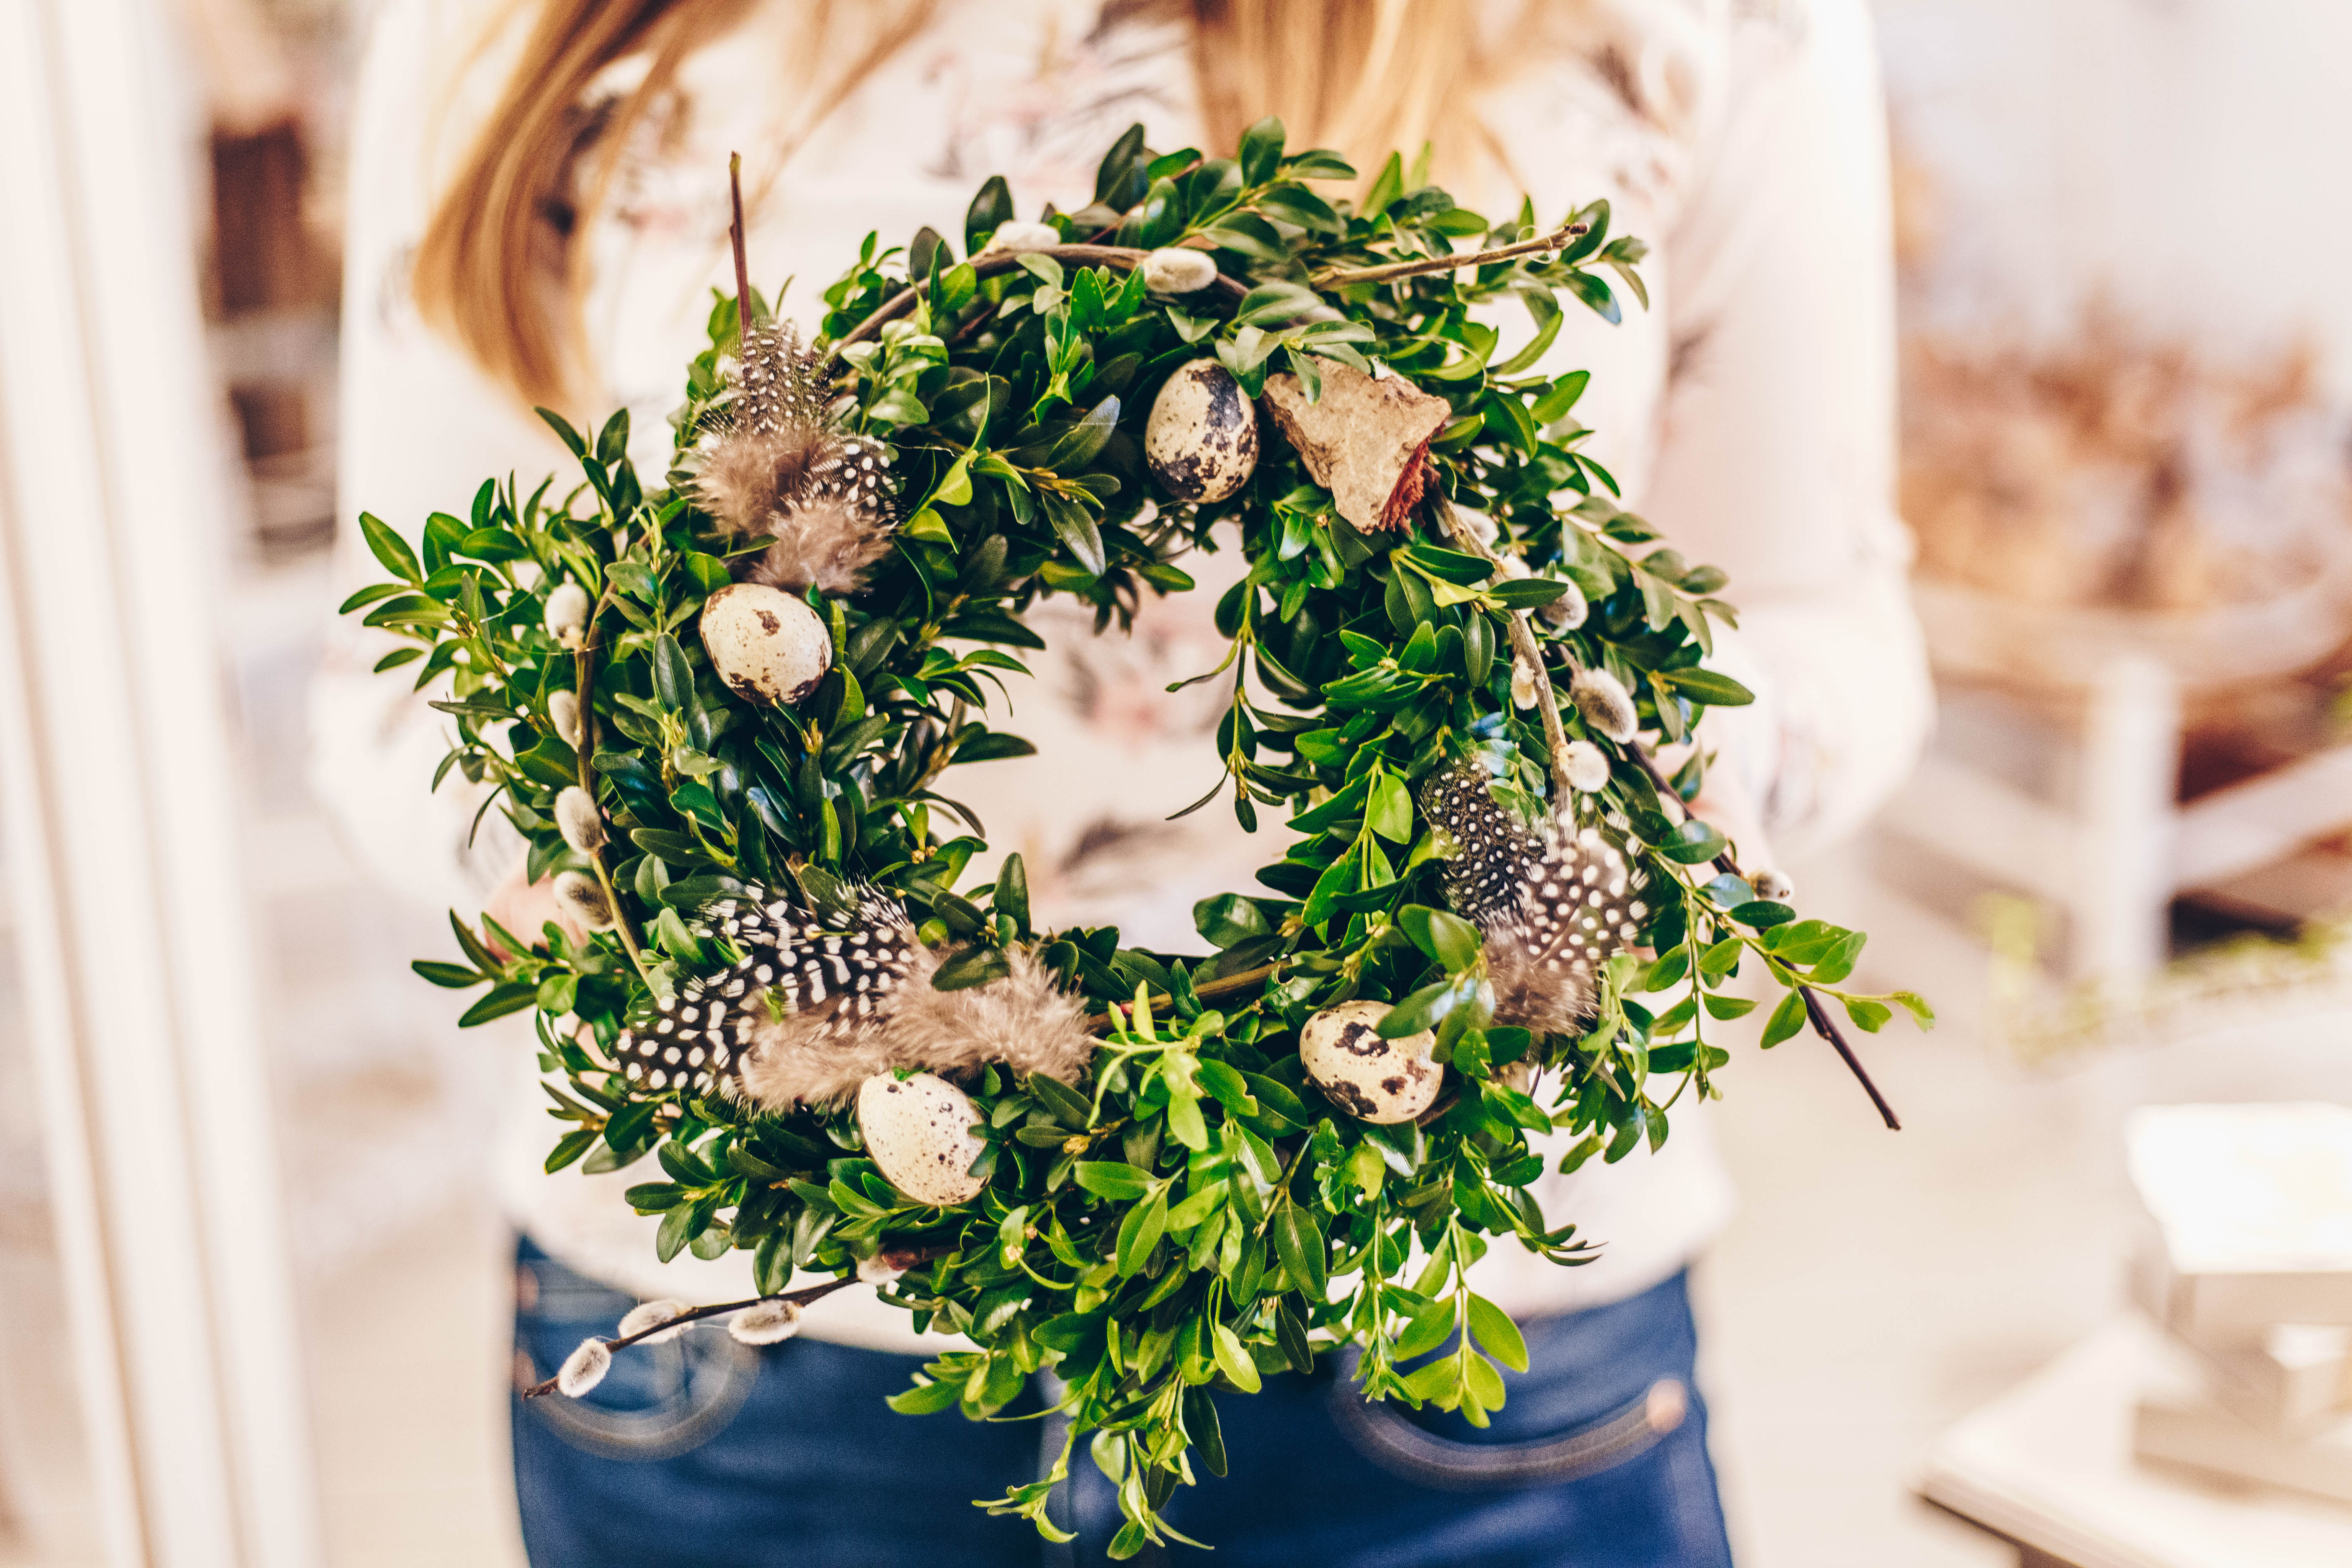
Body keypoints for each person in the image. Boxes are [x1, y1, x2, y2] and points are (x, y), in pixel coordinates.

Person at [315, 0, 1931, 1563]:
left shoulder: (1709, 24)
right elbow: (393, 703)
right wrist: (617, 859)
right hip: (742, 1359)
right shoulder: (521, 31)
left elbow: (1820, 627)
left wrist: (1649, 788)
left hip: (1460, 1363)